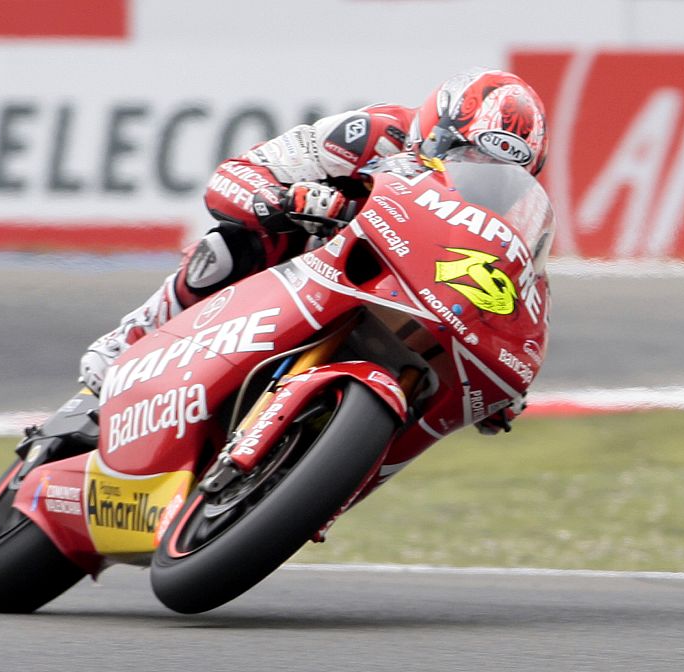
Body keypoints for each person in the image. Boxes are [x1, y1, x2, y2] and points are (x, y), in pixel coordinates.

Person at [78, 68, 549, 420]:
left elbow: (520, 291)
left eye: (501, 171)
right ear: (436, 127)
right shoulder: (373, 132)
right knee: (232, 245)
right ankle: (129, 343)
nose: (477, 171)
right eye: (465, 153)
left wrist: (504, 382)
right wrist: (283, 200)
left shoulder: (515, 214)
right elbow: (237, 175)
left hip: (405, 299)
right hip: (309, 260)